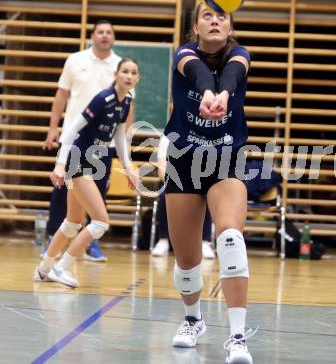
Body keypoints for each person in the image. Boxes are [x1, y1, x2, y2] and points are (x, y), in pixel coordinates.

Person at [162, 2, 255, 364]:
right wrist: (207, 93)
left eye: (222, 16)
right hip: (184, 159)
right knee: (187, 261)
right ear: (195, 27)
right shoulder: (183, 54)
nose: (214, 20)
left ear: (230, 26)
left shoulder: (241, 55)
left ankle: (236, 337)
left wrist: (223, 96)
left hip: (226, 159)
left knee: (230, 237)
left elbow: (231, 74)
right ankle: (193, 319)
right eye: (206, 16)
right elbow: (198, 71)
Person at [34, 58, 140, 288]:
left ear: (137, 78)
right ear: (117, 73)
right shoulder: (103, 99)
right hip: (77, 160)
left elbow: (119, 136)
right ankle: (61, 268)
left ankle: (43, 269)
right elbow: (72, 129)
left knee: (73, 221)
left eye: (133, 73)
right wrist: (60, 165)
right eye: (125, 71)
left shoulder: (127, 101)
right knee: (101, 222)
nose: (129, 76)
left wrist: (129, 168)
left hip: (94, 162)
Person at [43, 19, 135, 262]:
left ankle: (87, 245)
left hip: (103, 147)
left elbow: (125, 115)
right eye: (100, 31)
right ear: (93, 35)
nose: (104, 35)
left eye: (109, 32)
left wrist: (128, 158)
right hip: (76, 141)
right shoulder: (75, 60)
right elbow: (62, 95)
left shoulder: (121, 68)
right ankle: (54, 248)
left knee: (95, 199)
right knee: (63, 194)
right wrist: (54, 128)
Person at [151, 136, 216, 258]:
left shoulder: (205, 136)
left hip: (198, 179)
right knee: (164, 193)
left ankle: (204, 241)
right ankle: (163, 240)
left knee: (206, 193)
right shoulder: (167, 137)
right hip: (174, 179)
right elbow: (161, 168)